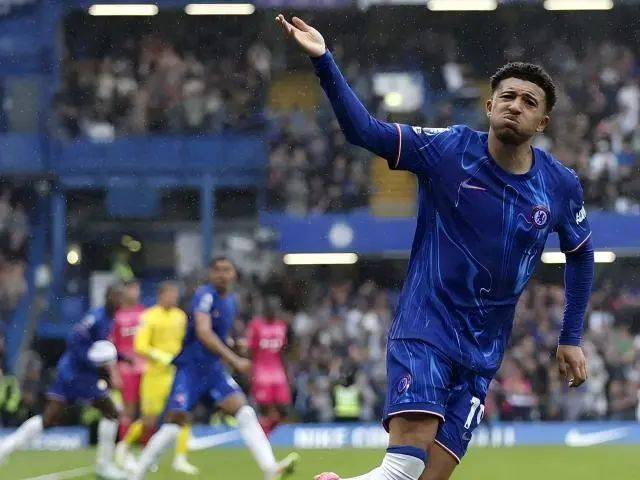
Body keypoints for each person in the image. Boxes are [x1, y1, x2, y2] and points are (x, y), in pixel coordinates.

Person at [276, 15, 594, 480]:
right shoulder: (449, 151)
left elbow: (581, 254)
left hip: (483, 353)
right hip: (427, 328)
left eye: (529, 102)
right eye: (507, 96)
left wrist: (571, 336)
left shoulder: (560, 185)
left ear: (542, 122)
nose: (515, 106)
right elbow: (364, 130)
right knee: (405, 465)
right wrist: (324, 60)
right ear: (489, 105)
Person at [132, 257, 299, 480]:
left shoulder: (230, 301)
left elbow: (218, 335)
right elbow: (203, 333)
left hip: (213, 371)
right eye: (217, 270)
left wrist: (232, 344)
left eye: (226, 270)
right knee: (174, 424)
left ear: (234, 274)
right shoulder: (205, 295)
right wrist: (234, 359)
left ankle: (270, 469)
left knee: (245, 413)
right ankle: (136, 475)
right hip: (191, 369)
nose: (222, 274)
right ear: (210, 274)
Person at [0, 285, 128, 479]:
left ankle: (4, 449)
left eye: (121, 297)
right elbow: (75, 341)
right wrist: (93, 360)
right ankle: (104, 465)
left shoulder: (110, 319)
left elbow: (102, 348)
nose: (120, 301)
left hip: (74, 373)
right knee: (111, 412)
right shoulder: (95, 318)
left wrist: (122, 358)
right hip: (78, 374)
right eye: (117, 296)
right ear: (108, 297)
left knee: (49, 418)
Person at [115, 281, 198, 474]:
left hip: (177, 374)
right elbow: (140, 345)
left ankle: (180, 458)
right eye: (170, 294)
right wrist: (160, 356)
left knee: (182, 413)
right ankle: (124, 446)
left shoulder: (180, 316)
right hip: (155, 375)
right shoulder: (148, 316)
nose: (173, 298)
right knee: (149, 420)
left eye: (175, 295)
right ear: (161, 296)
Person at [246, 296, 292, 435]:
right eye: (271, 309)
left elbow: (283, 351)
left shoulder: (281, 326)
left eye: (276, 309)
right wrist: (251, 372)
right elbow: (250, 350)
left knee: (284, 409)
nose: (273, 312)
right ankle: (261, 438)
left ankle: (262, 435)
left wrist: (287, 372)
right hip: (261, 374)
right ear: (265, 310)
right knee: (265, 410)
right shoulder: (256, 325)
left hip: (278, 373)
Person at [111, 278, 145, 439]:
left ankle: (146, 446)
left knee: (148, 409)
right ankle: (124, 446)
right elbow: (111, 345)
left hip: (145, 366)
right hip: (125, 368)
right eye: (131, 288)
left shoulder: (145, 313)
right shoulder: (116, 315)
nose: (134, 292)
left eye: (136, 289)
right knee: (128, 409)